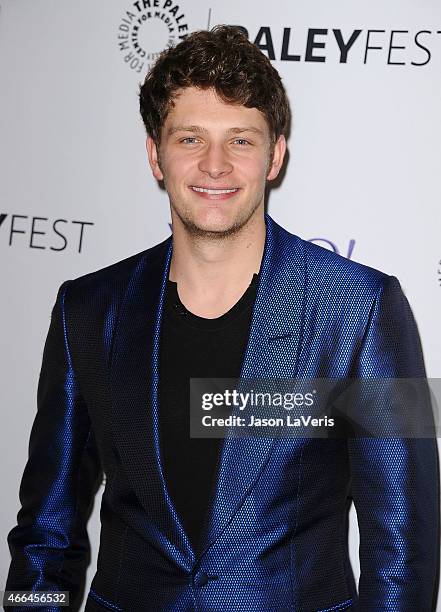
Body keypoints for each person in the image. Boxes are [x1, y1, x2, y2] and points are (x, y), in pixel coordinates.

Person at [5, 25, 439, 612]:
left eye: (240, 140)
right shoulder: (87, 310)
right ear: (156, 155)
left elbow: (404, 552)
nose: (214, 165)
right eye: (190, 138)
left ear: (275, 155)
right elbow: (45, 532)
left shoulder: (364, 308)